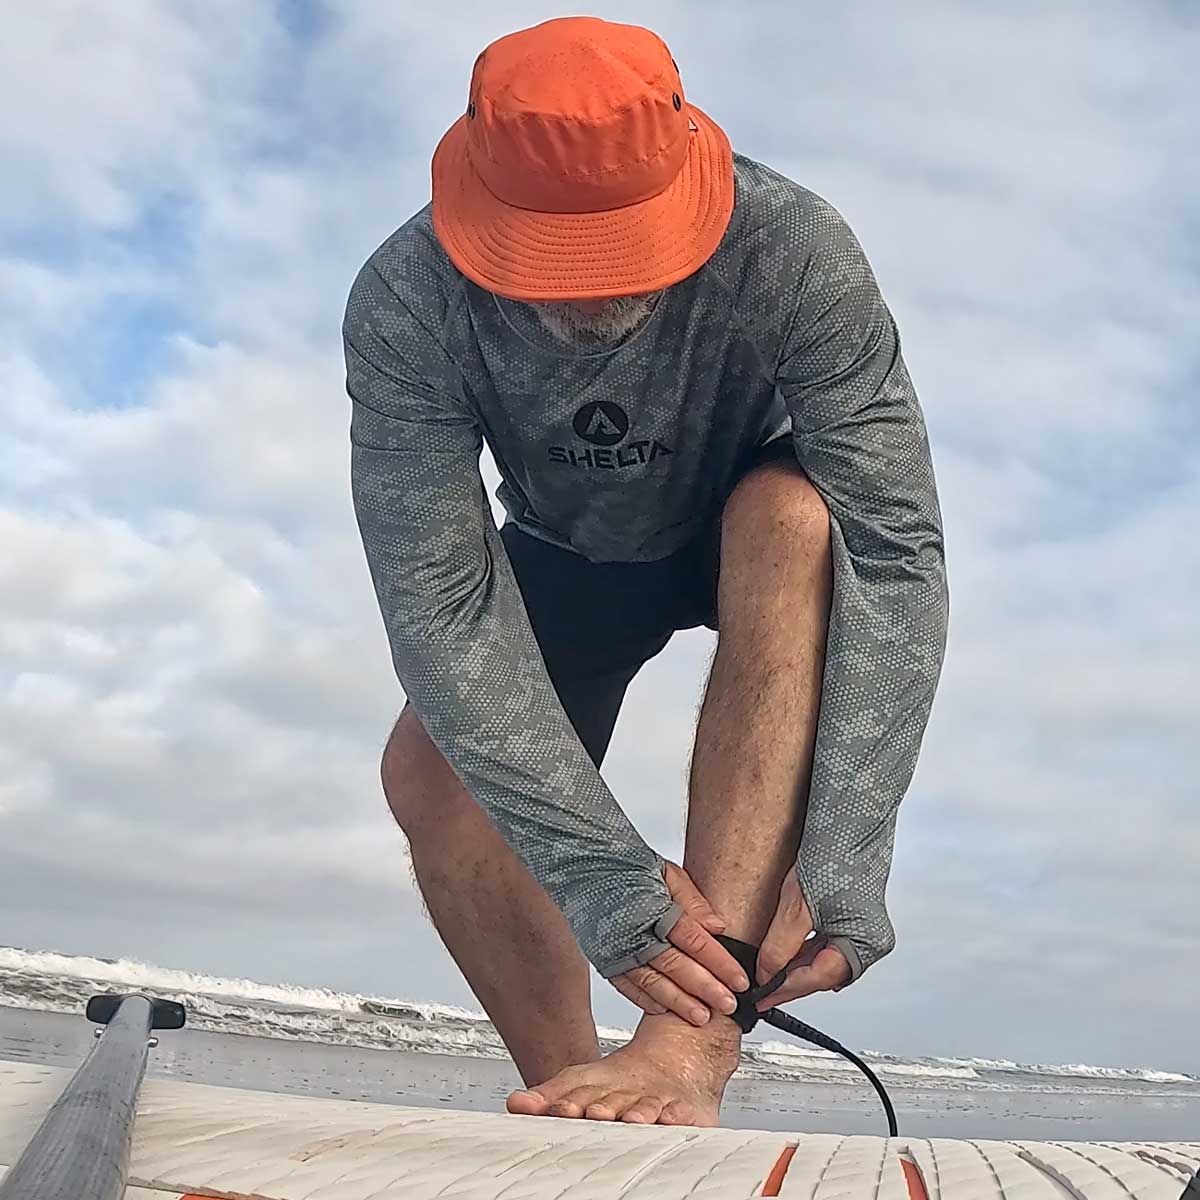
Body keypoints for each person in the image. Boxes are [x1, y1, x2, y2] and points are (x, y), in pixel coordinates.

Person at [344, 15, 948, 1127]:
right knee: (429, 776)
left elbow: (897, 549)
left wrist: (850, 849)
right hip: (573, 546)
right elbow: (437, 596)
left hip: (749, 524)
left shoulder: (796, 248)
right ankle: (574, 1085)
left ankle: (683, 1052)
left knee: (795, 514)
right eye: (551, 267)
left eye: (622, 259)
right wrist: (599, 872)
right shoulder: (405, 296)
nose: (588, 305)